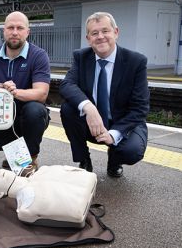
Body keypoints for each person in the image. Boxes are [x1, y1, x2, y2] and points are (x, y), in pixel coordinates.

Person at [59, 12, 149, 178]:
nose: (100, 37)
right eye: (94, 33)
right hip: (92, 122)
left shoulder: (136, 62)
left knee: (132, 152)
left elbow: (140, 108)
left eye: (105, 31)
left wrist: (113, 135)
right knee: (67, 109)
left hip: (123, 122)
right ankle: (84, 160)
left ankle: (115, 158)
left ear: (116, 32)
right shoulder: (81, 57)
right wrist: (89, 108)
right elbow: (66, 85)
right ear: (88, 38)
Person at [0, 11, 51, 177]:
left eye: (20, 28)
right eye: (10, 27)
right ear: (4, 31)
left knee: (35, 110)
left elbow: (41, 94)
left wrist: (15, 92)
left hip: (26, 120)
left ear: (27, 32)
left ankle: (29, 158)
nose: (15, 32)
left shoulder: (38, 56)